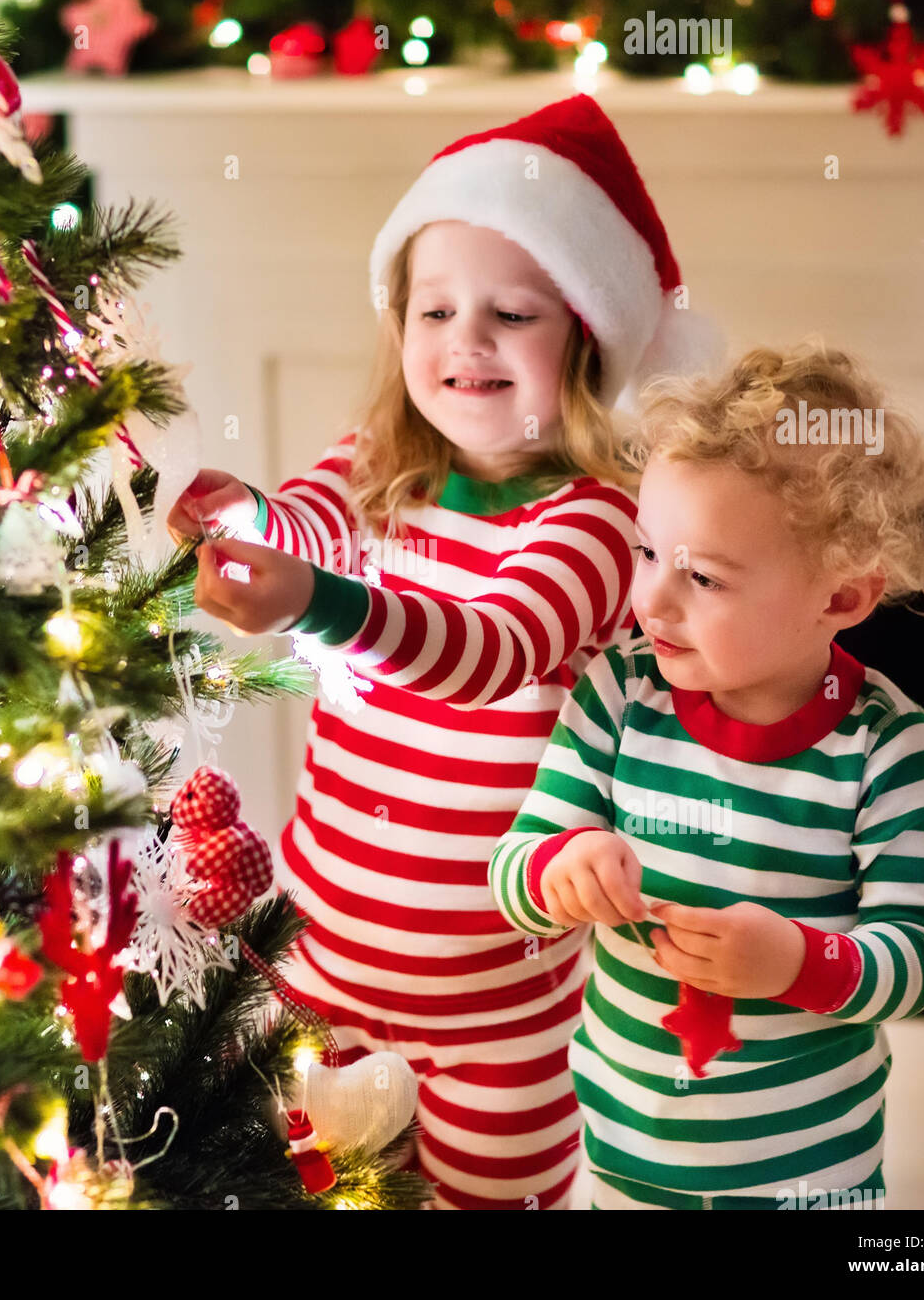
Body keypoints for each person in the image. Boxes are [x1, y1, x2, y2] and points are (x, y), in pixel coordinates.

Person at [168, 94, 720, 1209]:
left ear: (583, 341)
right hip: (316, 970)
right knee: (284, 1188)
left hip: (501, 1020)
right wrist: (247, 518)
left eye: (511, 313)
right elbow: (309, 523)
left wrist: (316, 601)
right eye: (432, 310)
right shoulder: (379, 458)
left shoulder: (598, 519)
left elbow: (487, 648)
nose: (463, 339)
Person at [491, 346, 924, 1210]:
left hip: (810, 1173)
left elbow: (917, 959)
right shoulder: (620, 693)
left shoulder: (888, 748)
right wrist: (562, 867)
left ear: (841, 601)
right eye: (647, 553)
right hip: (626, 1155)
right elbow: (514, 868)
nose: (652, 602)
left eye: (702, 576)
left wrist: (794, 962)